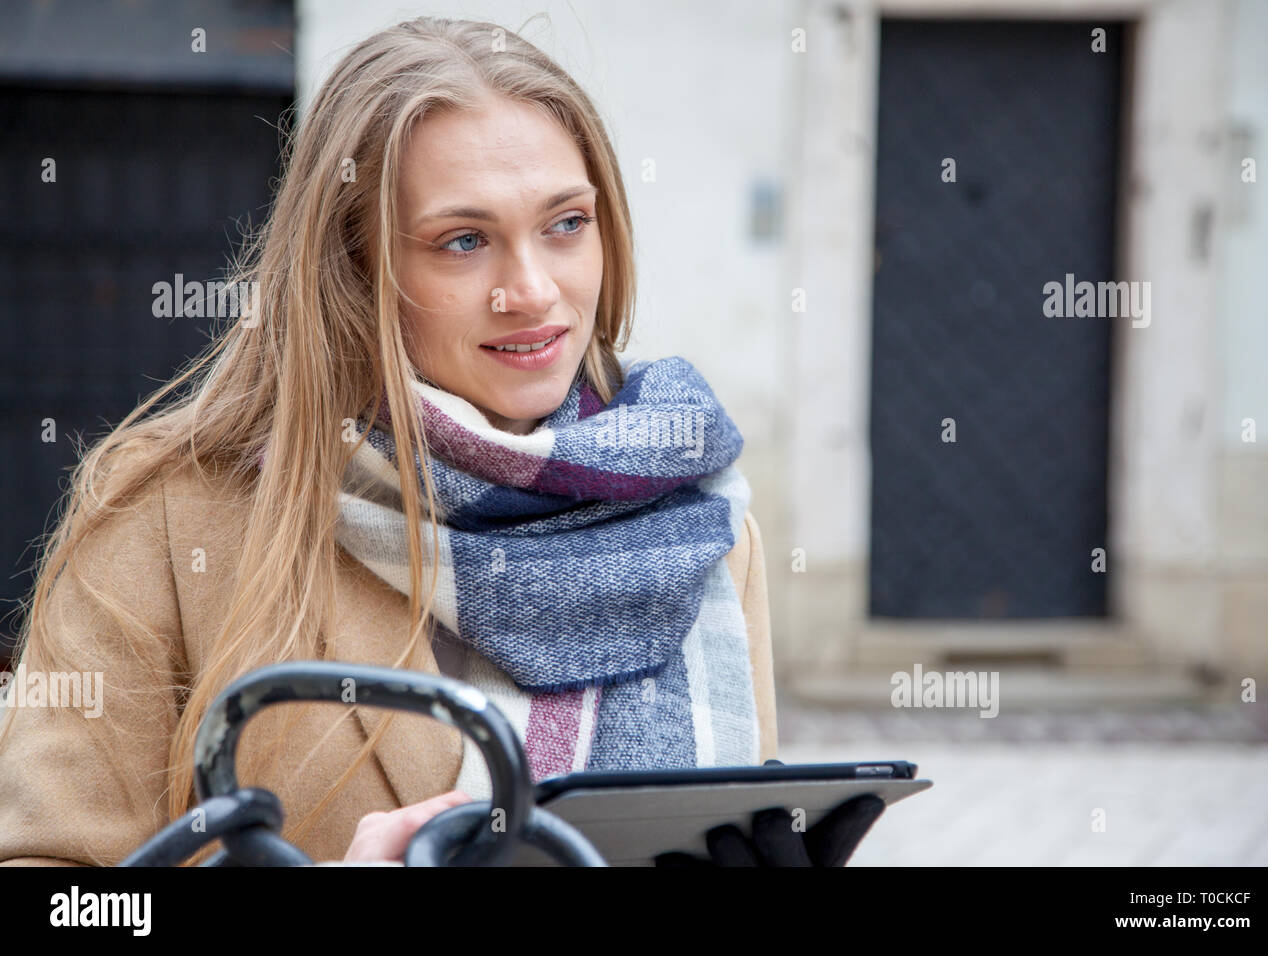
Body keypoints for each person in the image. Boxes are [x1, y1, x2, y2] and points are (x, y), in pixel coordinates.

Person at [0, 16, 872, 867]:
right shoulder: (166, 521)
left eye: (566, 223)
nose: (531, 291)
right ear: (353, 265)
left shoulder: (699, 527)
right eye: (464, 242)